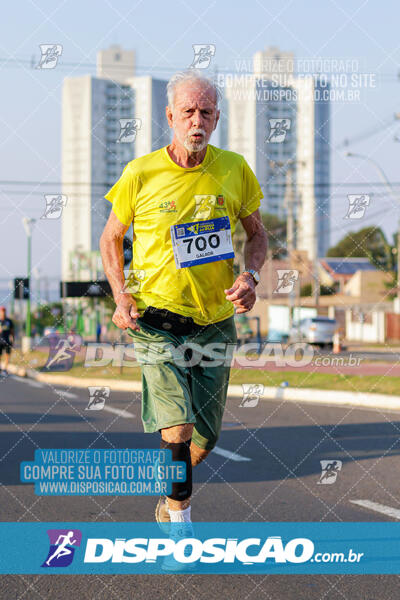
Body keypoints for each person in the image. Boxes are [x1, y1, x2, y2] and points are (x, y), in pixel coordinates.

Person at [100, 70, 268, 539]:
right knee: (176, 424)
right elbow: (111, 238)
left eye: (207, 112)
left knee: (205, 437)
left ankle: (171, 490)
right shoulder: (141, 172)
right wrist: (121, 295)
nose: (197, 120)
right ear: (170, 116)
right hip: (155, 319)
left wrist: (250, 276)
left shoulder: (234, 168)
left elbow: (257, 234)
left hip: (214, 321)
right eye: (188, 112)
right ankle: (180, 525)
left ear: (217, 119)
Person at [0, 306, 14, 375]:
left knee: (7, 355)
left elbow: (12, 331)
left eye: (4, 311)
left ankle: (5, 369)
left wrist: (12, 339)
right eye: (1, 311)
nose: (3, 312)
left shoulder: (9, 321)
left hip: (7, 340)